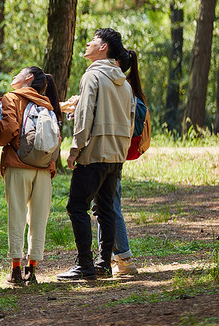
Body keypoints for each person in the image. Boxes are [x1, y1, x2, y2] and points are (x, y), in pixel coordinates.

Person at [57, 28, 135, 281]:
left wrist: (74, 150)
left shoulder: (93, 76)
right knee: (105, 209)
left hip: (94, 153)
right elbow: (131, 118)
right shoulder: (123, 81)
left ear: (103, 48)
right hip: (116, 155)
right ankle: (103, 264)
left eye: (93, 40)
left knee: (77, 206)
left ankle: (84, 266)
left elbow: (84, 116)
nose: (88, 43)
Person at [0, 66, 62, 285]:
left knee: (17, 215)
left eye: (18, 74)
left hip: (18, 165)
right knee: (38, 219)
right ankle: (32, 270)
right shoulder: (47, 103)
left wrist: (0, 139)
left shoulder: (11, 98)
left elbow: (7, 131)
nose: (14, 76)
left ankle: (15, 270)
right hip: (44, 168)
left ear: (28, 78)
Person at [99, 49, 149, 277]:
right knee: (106, 205)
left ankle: (125, 258)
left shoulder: (120, 88)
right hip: (118, 152)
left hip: (109, 153)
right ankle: (109, 257)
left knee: (110, 206)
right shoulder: (130, 87)